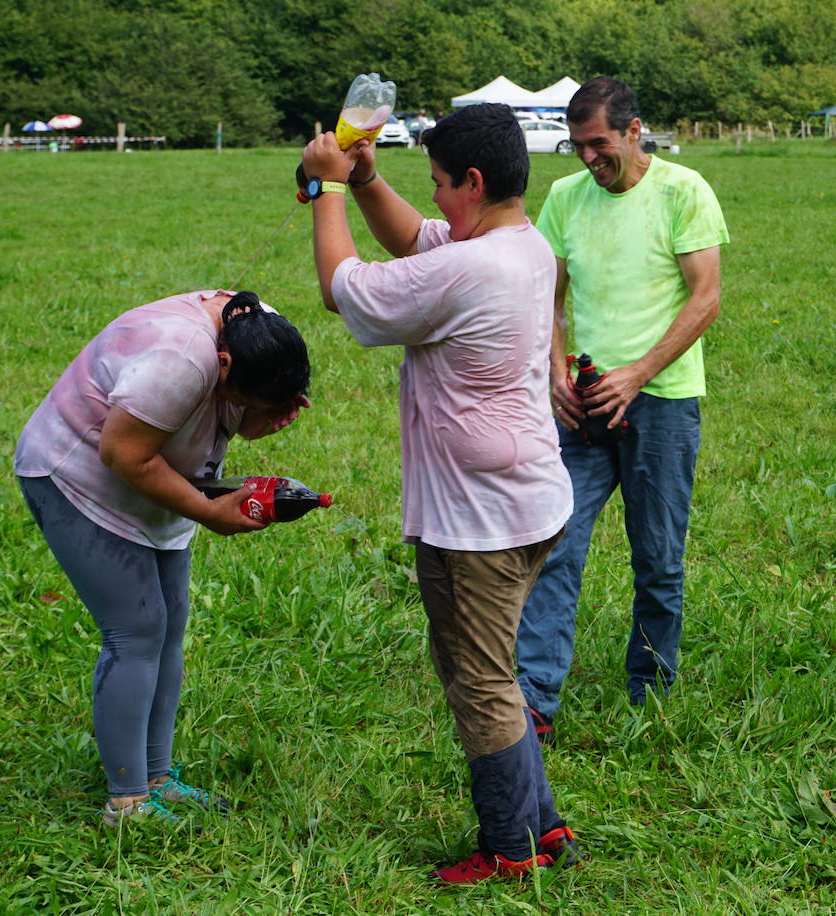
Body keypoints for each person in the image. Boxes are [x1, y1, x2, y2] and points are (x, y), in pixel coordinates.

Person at [299, 103, 580, 883]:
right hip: (526, 499)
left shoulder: (471, 267)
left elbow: (341, 287)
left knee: (479, 683)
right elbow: (419, 238)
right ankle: (543, 827)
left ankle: (510, 850)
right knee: (493, 672)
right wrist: (365, 182)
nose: (435, 203)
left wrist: (324, 190)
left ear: (476, 181)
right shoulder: (520, 246)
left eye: (440, 186)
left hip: (479, 520)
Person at [15, 290, 312, 827]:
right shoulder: (177, 355)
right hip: (78, 475)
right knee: (136, 629)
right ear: (223, 364)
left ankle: (156, 779)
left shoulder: (256, 330)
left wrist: (263, 415)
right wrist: (207, 511)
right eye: (254, 398)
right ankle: (126, 804)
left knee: (169, 625)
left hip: (152, 477)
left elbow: (230, 411)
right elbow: (122, 453)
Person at [514, 77, 728, 743]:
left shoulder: (683, 190)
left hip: (660, 402)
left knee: (658, 555)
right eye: (577, 146)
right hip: (581, 405)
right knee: (552, 545)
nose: (587, 159)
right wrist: (554, 370)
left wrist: (637, 374)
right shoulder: (563, 197)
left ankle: (651, 688)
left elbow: (706, 297)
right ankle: (534, 699)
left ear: (635, 132)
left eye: (599, 144)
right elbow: (545, 295)